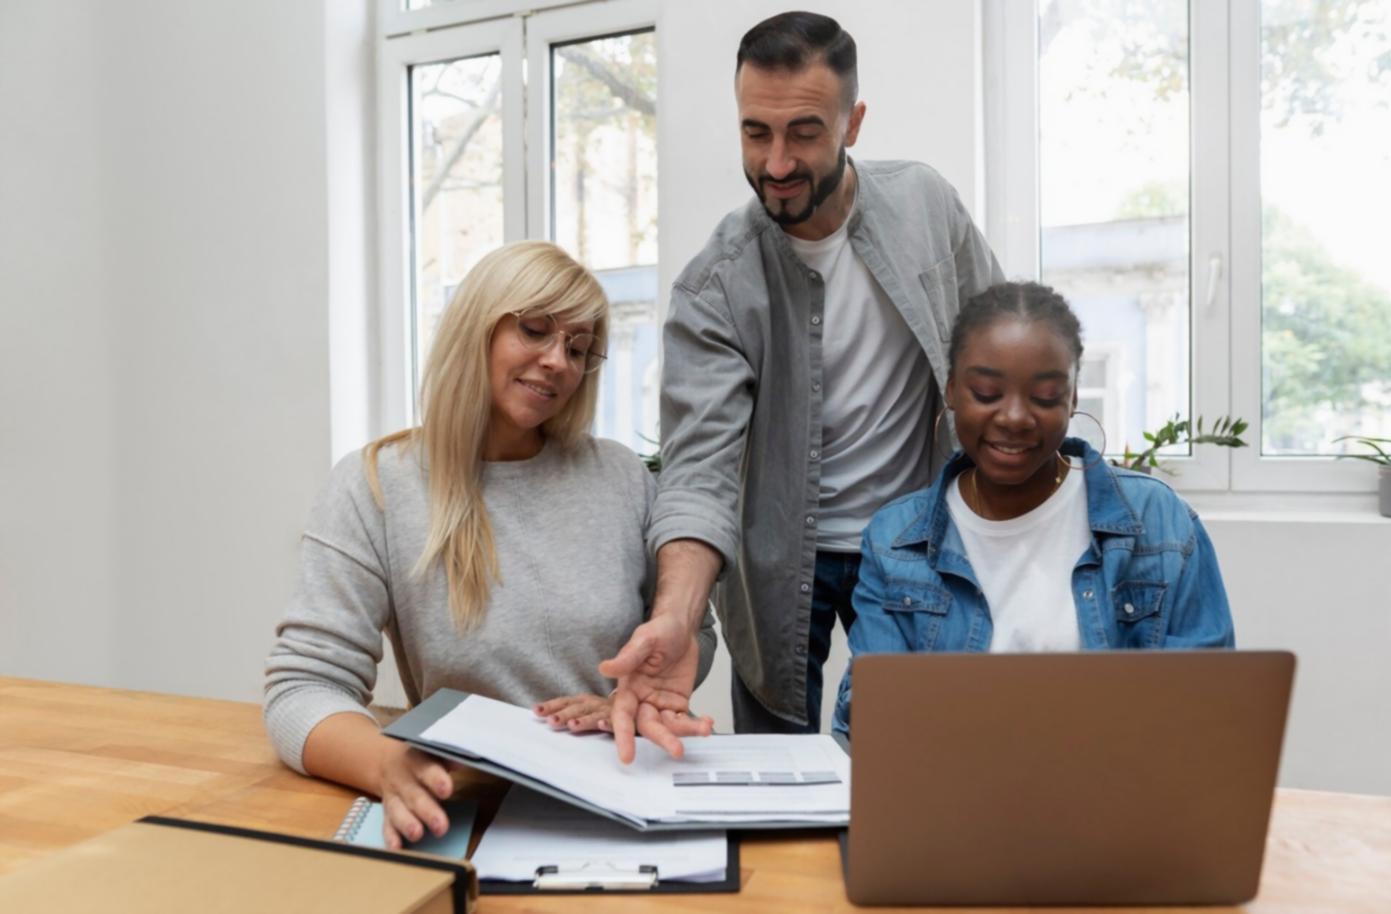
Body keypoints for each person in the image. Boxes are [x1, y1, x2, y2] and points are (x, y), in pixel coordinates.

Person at [600, 11, 1002, 756]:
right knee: (774, 785)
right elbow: (699, 473)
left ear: (853, 123)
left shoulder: (925, 205)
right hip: (779, 563)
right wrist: (677, 615)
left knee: (919, 757)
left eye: (804, 133)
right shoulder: (716, 285)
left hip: (914, 538)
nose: (776, 162)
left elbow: (999, 344)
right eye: (756, 132)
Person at [263, 241, 715, 847]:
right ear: (476, 326)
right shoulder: (376, 484)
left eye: (578, 348)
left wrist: (627, 702)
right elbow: (303, 688)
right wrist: (385, 764)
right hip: (470, 812)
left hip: (623, 797)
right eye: (535, 330)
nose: (558, 360)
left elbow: (691, 634)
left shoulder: (621, 476)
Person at [830, 281, 1236, 736]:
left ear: (1073, 398)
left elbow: (1205, 713)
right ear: (950, 391)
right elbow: (875, 727)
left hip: (1122, 797)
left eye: (1044, 397)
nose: (1015, 418)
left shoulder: (1157, 522)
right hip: (955, 799)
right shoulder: (895, 540)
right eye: (986, 393)